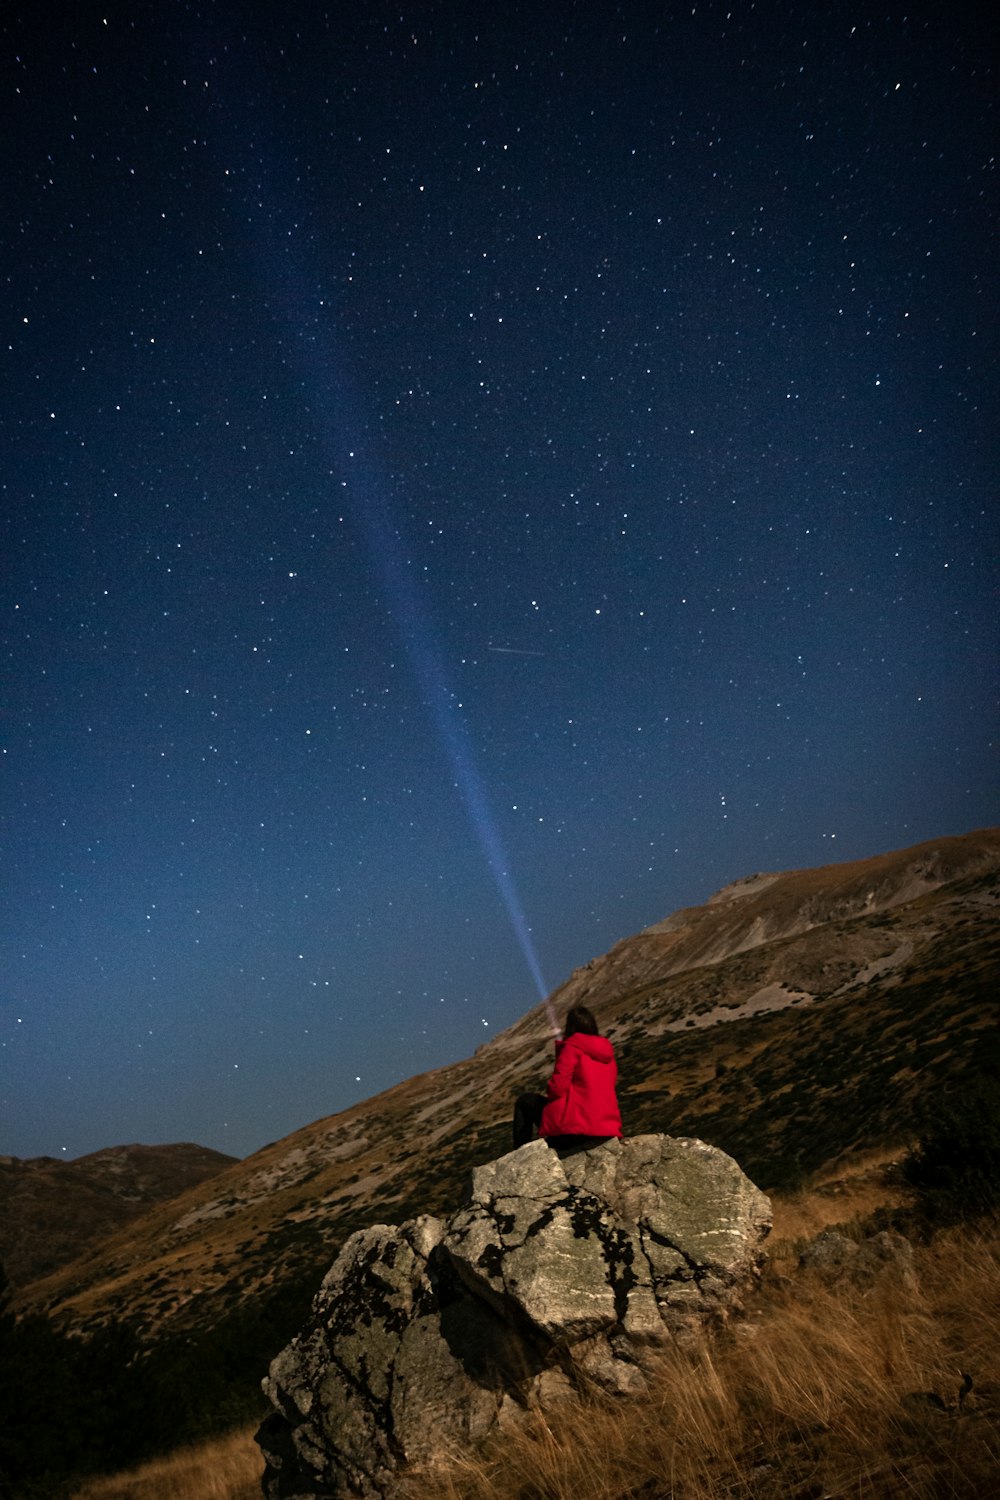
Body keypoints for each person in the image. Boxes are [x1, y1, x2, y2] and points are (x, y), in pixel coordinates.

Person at [512, 1004, 622, 1154]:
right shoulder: (607, 1051)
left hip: (576, 1131)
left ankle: (518, 1155)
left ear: (570, 1026)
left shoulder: (572, 1047)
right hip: (606, 1128)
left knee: (525, 1101)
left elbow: (556, 1090)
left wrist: (562, 1052)